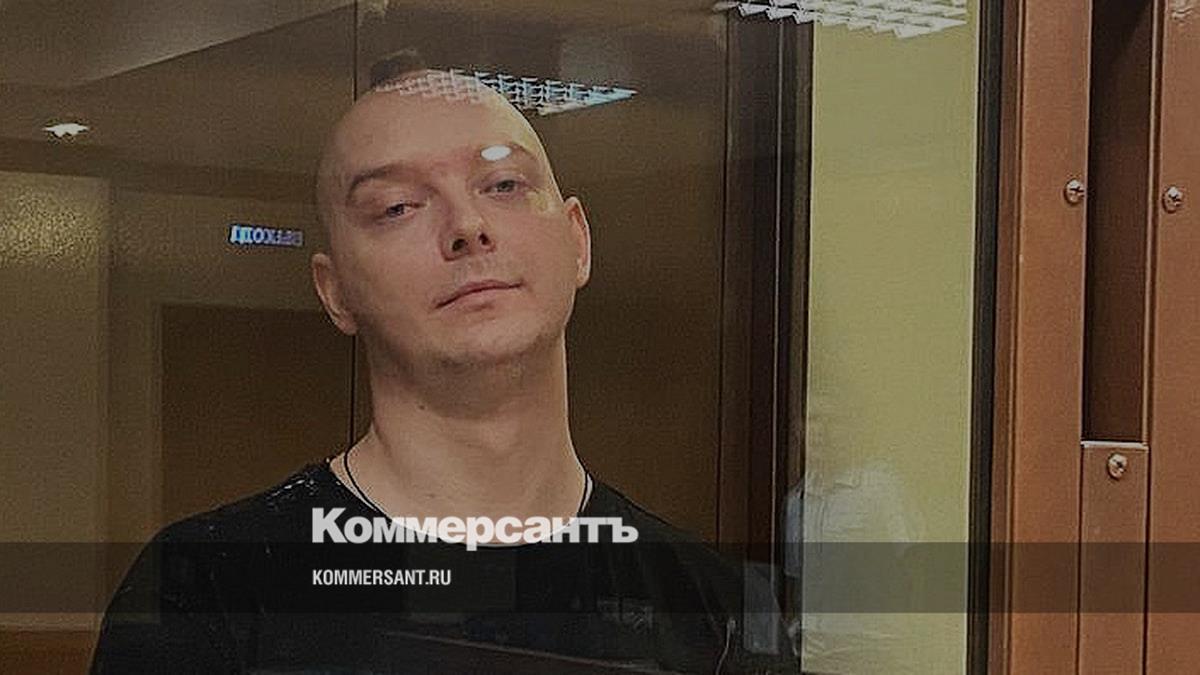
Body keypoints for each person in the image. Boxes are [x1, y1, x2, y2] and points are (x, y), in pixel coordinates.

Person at [90, 64, 798, 674]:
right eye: (397, 207)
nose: (466, 226)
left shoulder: (716, 610)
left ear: (577, 240)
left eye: (504, 184)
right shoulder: (212, 591)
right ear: (335, 291)